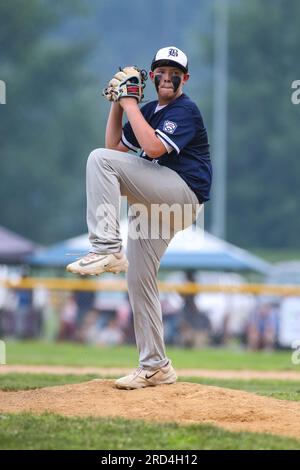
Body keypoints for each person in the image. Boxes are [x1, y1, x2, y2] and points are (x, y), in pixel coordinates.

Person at [66, 46, 212, 389]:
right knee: (139, 279)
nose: (168, 76)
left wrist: (130, 104)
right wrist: (118, 105)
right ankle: (155, 366)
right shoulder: (146, 110)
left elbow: (155, 149)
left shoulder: (185, 110)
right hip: (155, 203)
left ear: (185, 79)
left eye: (175, 71)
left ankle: (105, 247)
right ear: (153, 75)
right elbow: (115, 148)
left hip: (182, 193)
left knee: (97, 161)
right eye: (161, 69)